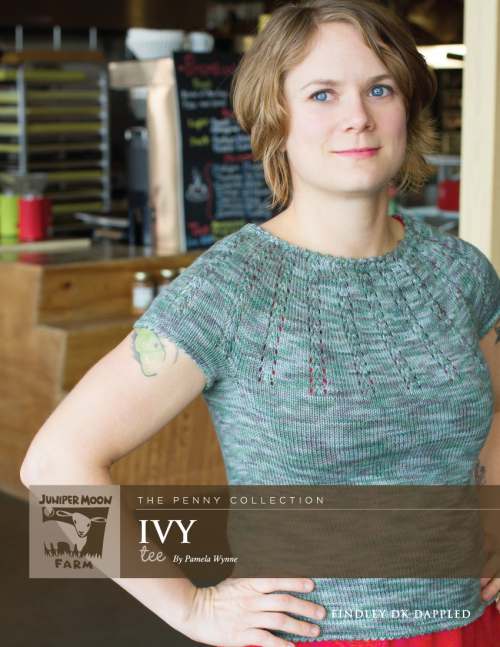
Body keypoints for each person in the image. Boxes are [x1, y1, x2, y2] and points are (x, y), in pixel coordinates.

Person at [20, 0, 500, 646]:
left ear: (407, 108)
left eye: (380, 88)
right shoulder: (230, 288)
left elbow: (495, 411)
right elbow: (54, 466)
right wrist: (192, 610)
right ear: (278, 119)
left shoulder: (461, 274)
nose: (357, 116)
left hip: (470, 626)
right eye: (323, 94)